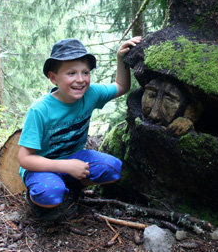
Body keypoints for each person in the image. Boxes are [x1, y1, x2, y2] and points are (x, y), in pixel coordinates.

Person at [18, 36, 141, 221]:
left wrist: (121, 58)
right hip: (41, 167)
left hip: (73, 159)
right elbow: (24, 159)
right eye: (71, 73)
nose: (80, 80)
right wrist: (65, 166)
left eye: (85, 72)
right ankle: (39, 202)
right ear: (53, 78)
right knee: (50, 194)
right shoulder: (40, 110)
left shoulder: (91, 94)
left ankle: (72, 189)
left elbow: (122, 86)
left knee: (113, 168)